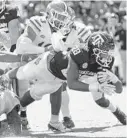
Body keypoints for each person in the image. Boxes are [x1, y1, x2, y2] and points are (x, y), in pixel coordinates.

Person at [67, 31, 126, 125]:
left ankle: (116, 111)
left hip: (91, 75)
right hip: (73, 74)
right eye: (105, 51)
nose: (108, 55)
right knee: (58, 87)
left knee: (100, 101)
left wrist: (113, 77)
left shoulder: (107, 60)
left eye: (109, 51)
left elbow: (119, 90)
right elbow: (71, 84)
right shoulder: (79, 55)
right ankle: (65, 117)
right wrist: (97, 87)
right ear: (94, 49)